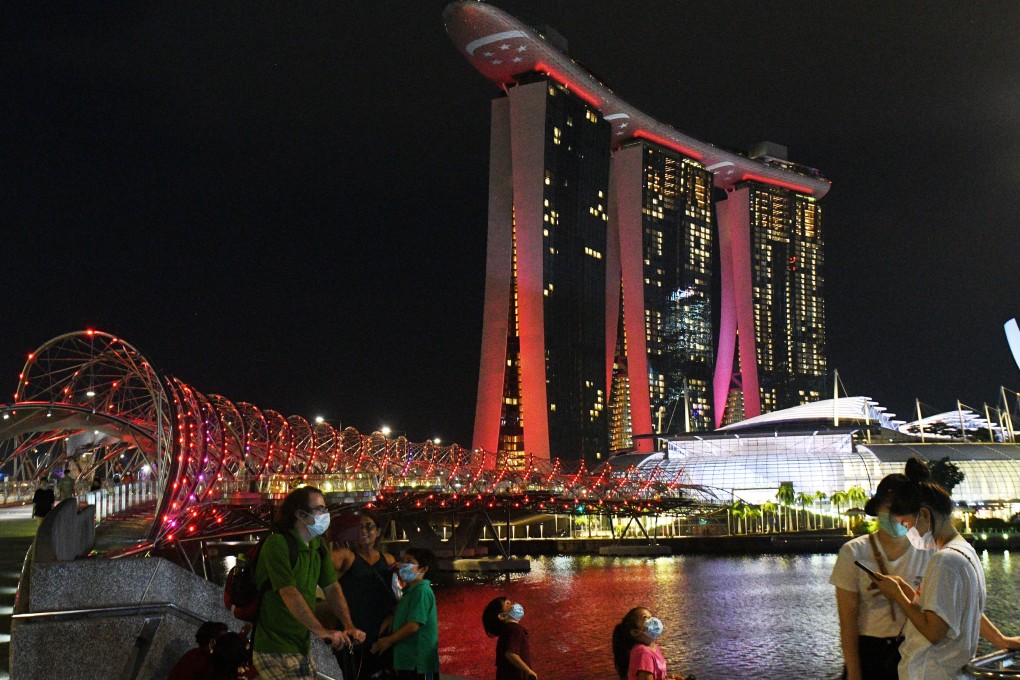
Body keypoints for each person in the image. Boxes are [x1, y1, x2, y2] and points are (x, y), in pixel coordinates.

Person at [872, 457, 1020, 679]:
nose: (907, 532)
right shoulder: (965, 552)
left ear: (924, 514)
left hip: (930, 671)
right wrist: (903, 588)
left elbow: (934, 632)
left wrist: (898, 597)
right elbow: (949, 609)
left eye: (906, 525)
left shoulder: (944, 561)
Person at [252, 486, 366, 679]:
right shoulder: (277, 543)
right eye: (319, 509)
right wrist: (322, 631)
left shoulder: (317, 545)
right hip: (274, 648)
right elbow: (288, 592)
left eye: (325, 508)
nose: (325, 514)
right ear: (300, 514)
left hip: (301, 646)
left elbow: (332, 588)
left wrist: (349, 626)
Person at [829, 474, 929, 680]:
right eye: (889, 508)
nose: (895, 516)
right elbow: (848, 621)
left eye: (901, 509)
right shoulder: (853, 552)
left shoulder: (927, 551)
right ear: (877, 510)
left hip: (915, 649)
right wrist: (855, 673)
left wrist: (998, 639)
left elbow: (945, 607)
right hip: (870, 651)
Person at [328, 510, 397, 679]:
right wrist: (331, 535)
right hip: (353, 633)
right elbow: (324, 565)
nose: (364, 531)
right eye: (358, 527)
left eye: (369, 526)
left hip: (380, 635)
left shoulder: (388, 559)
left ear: (379, 531)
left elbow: (396, 595)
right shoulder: (347, 556)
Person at [371, 548, 439, 680]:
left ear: (423, 569)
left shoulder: (422, 590)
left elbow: (413, 625)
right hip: (408, 662)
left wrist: (388, 641)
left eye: (409, 562)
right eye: (403, 561)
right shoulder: (410, 591)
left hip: (419, 664)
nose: (403, 565)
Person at [611, 607, 676, 680]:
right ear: (635, 632)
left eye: (651, 616)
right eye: (646, 618)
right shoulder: (643, 652)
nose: (653, 620)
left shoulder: (654, 648)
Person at [482, 596, 537, 680]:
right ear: (502, 616)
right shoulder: (514, 629)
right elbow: (510, 653)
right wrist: (528, 671)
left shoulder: (506, 630)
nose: (514, 604)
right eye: (508, 604)